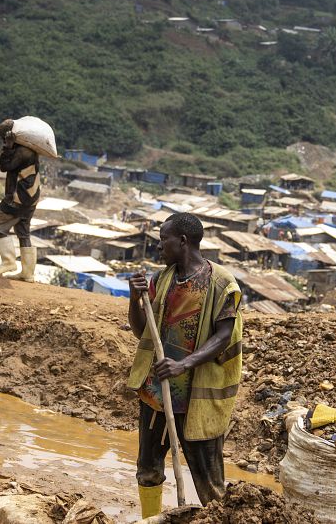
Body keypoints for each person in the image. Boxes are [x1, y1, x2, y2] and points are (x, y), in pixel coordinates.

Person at [126, 213, 243, 518]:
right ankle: (150, 518)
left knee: (210, 484)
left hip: (197, 400)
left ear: (182, 241)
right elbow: (143, 332)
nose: (159, 246)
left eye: (163, 239)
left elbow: (224, 336)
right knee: (148, 470)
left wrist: (183, 365)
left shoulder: (221, 283)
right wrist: (133, 298)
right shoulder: (161, 279)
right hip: (156, 395)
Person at [0, 119, 41, 282]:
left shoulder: (22, 152)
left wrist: (7, 148)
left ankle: (8, 262)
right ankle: (28, 273)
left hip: (19, 197)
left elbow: (5, 167)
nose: (3, 140)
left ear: (12, 136)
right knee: (23, 232)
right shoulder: (28, 150)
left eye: (4, 137)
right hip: (31, 196)